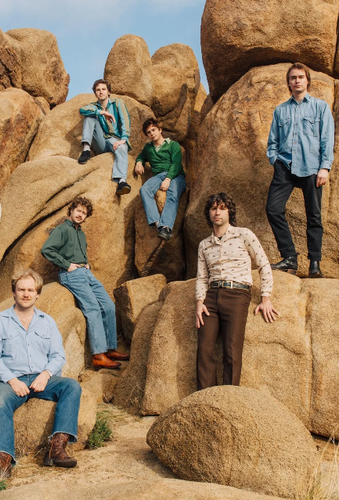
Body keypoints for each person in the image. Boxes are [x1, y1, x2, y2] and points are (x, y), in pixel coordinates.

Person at [0, 269, 82, 479]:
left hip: (42, 380)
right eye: (21, 289)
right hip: (11, 381)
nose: (26, 294)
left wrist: (46, 374)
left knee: (72, 386)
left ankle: (56, 450)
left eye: (30, 290)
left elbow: (58, 356)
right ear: (13, 293)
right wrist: (12, 380)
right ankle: (3, 460)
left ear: (38, 294)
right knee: (0, 401)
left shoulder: (47, 321)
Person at [196, 193, 278, 390]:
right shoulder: (204, 244)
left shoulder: (244, 234)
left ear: (229, 212)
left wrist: (265, 298)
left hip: (237, 294)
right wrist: (199, 302)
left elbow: (263, 264)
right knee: (204, 350)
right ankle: (205, 399)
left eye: (222, 208)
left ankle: (228, 400)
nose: (217, 212)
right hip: (211, 297)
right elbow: (202, 277)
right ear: (209, 213)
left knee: (232, 351)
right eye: (213, 208)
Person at [41, 196, 129, 370]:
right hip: (71, 274)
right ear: (71, 210)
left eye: (84, 213)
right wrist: (67, 265)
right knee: (93, 308)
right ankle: (98, 356)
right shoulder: (62, 229)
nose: (80, 215)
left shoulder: (81, 233)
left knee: (109, 305)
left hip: (86, 273)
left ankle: (110, 349)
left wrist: (86, 264)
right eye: (78, 211)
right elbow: (46, 249)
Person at [266, 62, 334, 278]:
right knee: (273, 209)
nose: (297, 81)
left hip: (312, 167)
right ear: (288, 82)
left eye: (301, 77)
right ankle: (289, 256)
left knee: (314, 216)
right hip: (285, 166)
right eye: (293, 78)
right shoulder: (280, 110)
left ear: (307, 81)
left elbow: (327, 139)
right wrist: (275, 160)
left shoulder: (320, 107)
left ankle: (314, 263)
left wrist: (325, 167)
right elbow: (272, 142)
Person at [134, 118, 186, 241]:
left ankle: (166, 227)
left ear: (160, 130)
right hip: (158, 176)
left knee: (173, 193)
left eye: (153, 130)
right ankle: (158, 224)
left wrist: (168, 179)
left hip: (176, 175)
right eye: (149, 132)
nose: (152, 133)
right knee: (144, 189)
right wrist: (139, 162)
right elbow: (141, 156)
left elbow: (176, 164)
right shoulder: (148, 148)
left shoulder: (173, 145)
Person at [78, 79, 132, 196]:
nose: (101, 92)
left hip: (115, 139)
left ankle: (121, 181)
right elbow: (82, 110)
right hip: (101, 141)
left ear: (108, 92)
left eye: (103, 89)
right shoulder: (94, 106)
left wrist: (124, 139)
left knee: (122, 148)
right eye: (98, 90)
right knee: (90, 116)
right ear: (95, 93)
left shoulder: (117, 103)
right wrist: (101, 112)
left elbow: (125, 120)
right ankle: (86, 150)